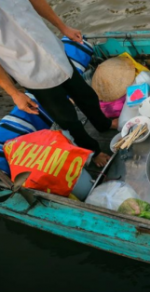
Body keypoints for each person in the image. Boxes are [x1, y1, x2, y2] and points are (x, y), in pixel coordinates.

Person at [0, 0, 117, 167]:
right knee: (67, 118)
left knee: (87, 95)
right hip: (31, 72)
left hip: (55, 52)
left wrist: (63, 28)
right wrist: (14, 93)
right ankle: (94, 151)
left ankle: (104, 124)